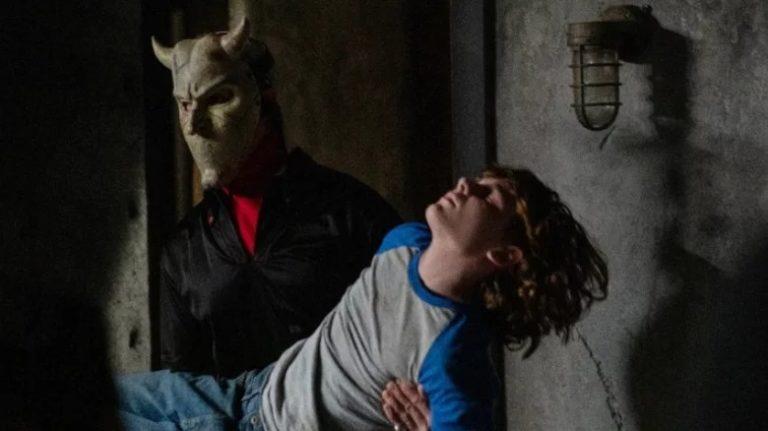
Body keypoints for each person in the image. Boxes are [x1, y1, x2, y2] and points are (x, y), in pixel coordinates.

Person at [117, 166, 609, 430]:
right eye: (478, 178)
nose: (466, 184)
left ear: (503, 254)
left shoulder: (452, 353)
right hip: (245, 391)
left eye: (488, 195)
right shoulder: (406, 241)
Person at [150, 18, 403, 378]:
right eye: (185, 104)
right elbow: (180, 387)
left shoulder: (351, 213)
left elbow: (411, 328)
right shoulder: (185, 250)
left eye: (218, 98)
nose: (194, 125)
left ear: (264, 99)